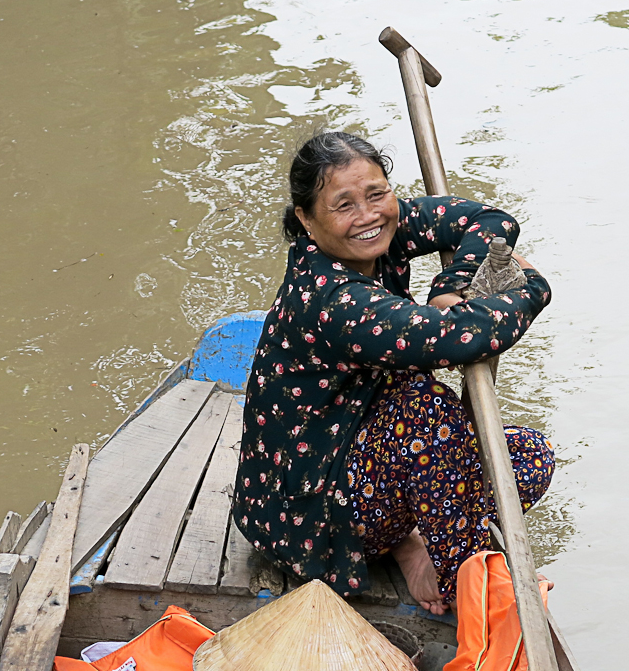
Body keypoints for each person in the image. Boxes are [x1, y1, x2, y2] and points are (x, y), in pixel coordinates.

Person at [232, 131, 554, 614]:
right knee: (424, 406)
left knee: (529, 458)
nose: (368, 216)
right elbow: (462, 336)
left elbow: (490, 219)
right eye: (344, 205)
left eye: (377, 194)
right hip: (306, 514)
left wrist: (453, 280)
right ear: (306, 218)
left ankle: (416, 541)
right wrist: (530, 286)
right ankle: (455, 570)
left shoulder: (384, 231)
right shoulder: (331, 299)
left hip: (359, 446)